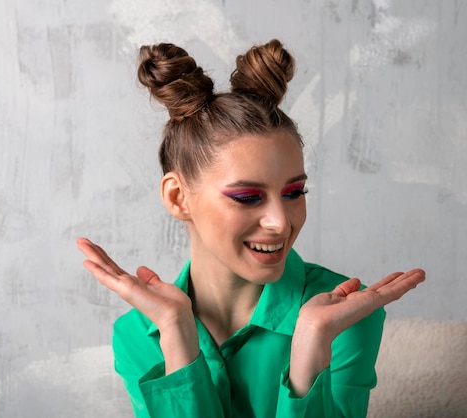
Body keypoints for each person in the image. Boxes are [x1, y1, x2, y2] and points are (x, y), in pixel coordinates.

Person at [77, 39, 425, 417]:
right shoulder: (138, 335)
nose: (280, 222)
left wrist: (310, 350)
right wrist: (177, 336)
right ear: (178, 198)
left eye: (294, 192)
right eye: (247, 197)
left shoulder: (344, 317)